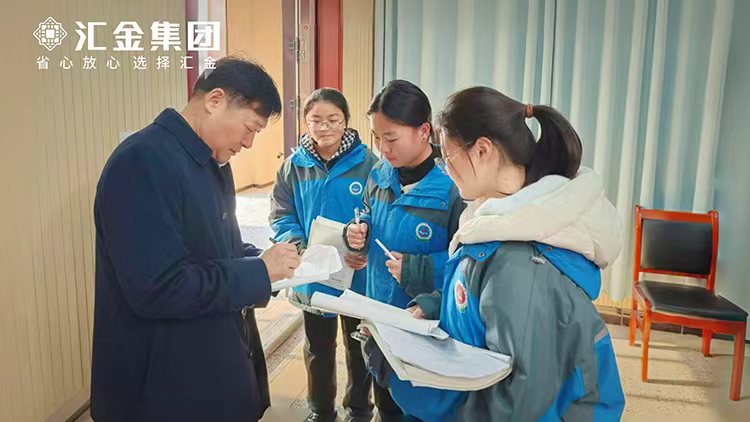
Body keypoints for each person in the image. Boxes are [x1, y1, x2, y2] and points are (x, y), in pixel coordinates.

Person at [362, 86, 626, 421]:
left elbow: (515, 406)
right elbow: (482, 300)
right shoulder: (497, 218)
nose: (445, 168)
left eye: (447, 157)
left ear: (483, 150)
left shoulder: (521, 262)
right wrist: (435, 306)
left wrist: (401, 373)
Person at [90, 57, 301, 422]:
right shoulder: (143, 161)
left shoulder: (209, 161)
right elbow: (159, 287)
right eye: (249, 128)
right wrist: (258, 272)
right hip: (163, 385)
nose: (249, 143)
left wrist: (269, 261)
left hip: (207, 364)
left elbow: (214, 246)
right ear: (215, 100)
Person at [345, 80, 465, 421]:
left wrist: (417, 269)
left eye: (391, 138)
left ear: (424, 131)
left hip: (422, 324)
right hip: (379, 318)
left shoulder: (453, 186)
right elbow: (366, 212)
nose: (383, 148)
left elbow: (468, 265)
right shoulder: (379, 174)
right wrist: (358, 230)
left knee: (416, 408)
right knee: (385, 401)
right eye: (376, 137)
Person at [269, 88, 379, 422]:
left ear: (346, 121)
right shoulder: (293, 167)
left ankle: (359, 410)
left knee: (359, 348)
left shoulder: (369, 163)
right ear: (306, 122)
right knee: (318, 349)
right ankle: (321, 411)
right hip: (312, 275)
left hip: (356, 275)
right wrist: (299, 248)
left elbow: (380, 214)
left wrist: (364, 244)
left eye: (333, 119)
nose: (325, 127)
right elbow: (281, 214)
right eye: (316, 120)